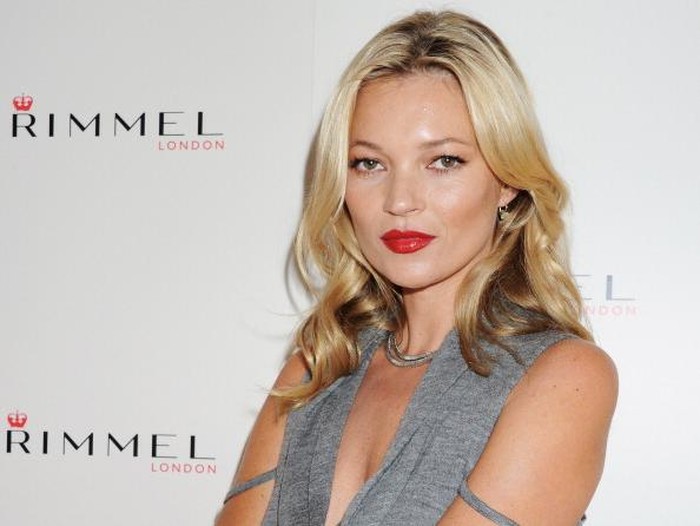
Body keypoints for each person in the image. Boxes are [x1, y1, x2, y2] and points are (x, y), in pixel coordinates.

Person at [216, 10, 617, 526]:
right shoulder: (318, 367)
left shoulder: (563, 376)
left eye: (444, 161)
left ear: (507, 180)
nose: (400, 200)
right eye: (369, 163)